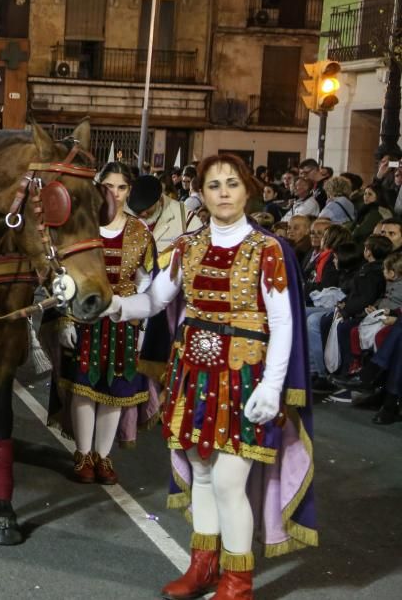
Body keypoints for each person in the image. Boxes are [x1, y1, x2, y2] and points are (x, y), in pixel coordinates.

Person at [103, 153, 317, 599]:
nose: (222, 192)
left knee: (227, 480)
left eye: (232, 184)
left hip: (244, 375)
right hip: (193, 372)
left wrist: (273, 385)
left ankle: (237, 584)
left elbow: (283, 324)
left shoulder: (269, 249)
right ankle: (202, 567)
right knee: (201, 472)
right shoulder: (186, 245)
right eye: (214, 184)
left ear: (246, 191)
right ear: (201, 192)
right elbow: (156, 301)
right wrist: (113, 306)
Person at [53, 163, 156, 485]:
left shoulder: (141, 231)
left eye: (121, 187)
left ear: (129, 191)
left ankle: (103, 455)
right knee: (84, 389)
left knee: (115, 391)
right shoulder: (82, 226)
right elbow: (63, 276)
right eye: (108, 186)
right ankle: (83, 454)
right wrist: (66, 319)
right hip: (85, 314)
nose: (114, 193)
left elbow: (147, 281)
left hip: (122, 321)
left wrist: (140, 324)